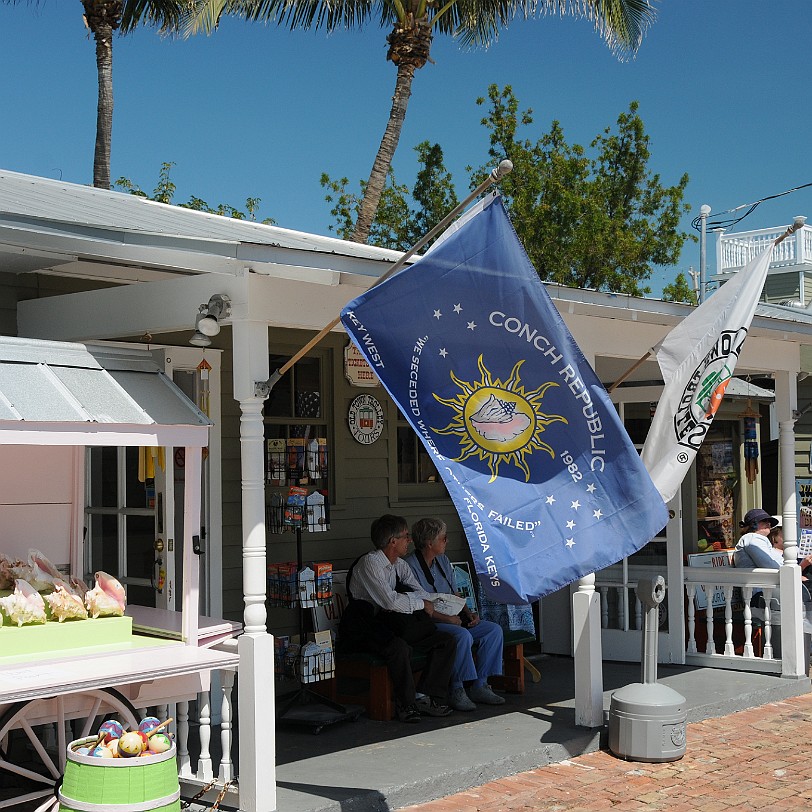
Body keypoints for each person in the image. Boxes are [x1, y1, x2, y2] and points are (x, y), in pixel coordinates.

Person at [339, 514, 456, 723]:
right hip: (363, 625)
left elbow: (420, 592)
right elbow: (390, 602)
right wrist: (421, 604)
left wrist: (444, 603)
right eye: (406, 536)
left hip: (389, 623)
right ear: (393, 541)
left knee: (445, 642)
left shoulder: (399, 565)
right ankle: (406, 704)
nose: (409, 541)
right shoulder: (370, 563)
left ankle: (425, 696)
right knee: (399, 648)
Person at [404, 518, 505, 712]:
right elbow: (419, 606)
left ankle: (480, 685)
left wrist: (469, 613)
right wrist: (449, 619)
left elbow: (455, 593)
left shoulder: (443, 560)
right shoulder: (409, 566)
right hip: (430, 622)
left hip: (455, 617)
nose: (447, 541)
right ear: (429, 543)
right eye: (443, 538)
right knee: (461, 636)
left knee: (493, 631)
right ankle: (457, 689)